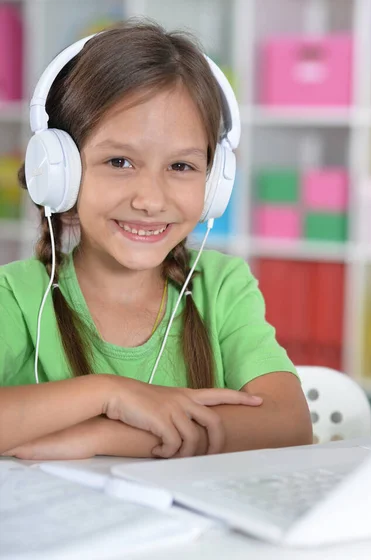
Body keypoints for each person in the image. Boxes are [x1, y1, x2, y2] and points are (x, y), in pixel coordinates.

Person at [0, 19, 312, 461]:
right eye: (120, 161)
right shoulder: (13, 297)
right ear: (58, 172)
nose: (150, 199)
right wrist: (107, 394)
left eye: (181, 167)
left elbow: (289, 424)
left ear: (214, 180)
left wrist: (108, 436)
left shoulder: (221, 287)